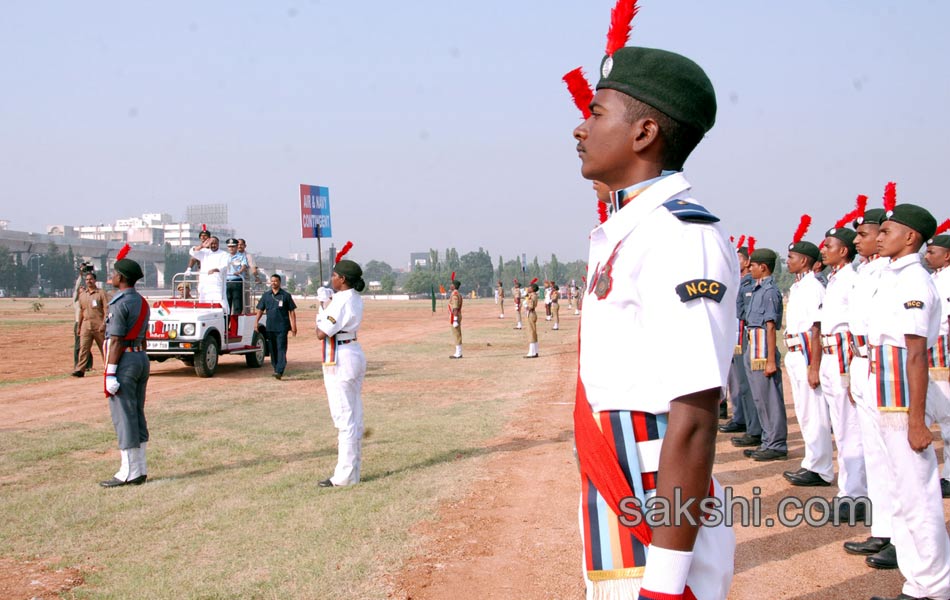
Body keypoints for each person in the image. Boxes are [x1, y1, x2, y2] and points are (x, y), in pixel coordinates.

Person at [571, 44, 736, 598]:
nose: (579, 129)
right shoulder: (632, 231)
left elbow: (693, 416)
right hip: (625, 489)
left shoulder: (680, 236)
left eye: (595, 114)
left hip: (654, 512)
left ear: (644, 134)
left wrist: (664, 586)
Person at [866, 204, 950, 600]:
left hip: (902, 402)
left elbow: (915, 354)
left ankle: (934, 586)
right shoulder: (892, 276)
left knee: (919, 497)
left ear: (910, 237)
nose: (879, 237)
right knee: (902, 494)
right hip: (886, 396)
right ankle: (918, 583)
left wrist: (917, 421)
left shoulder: (914, 280)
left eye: (886, 231)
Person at [842, 206, 897, 568]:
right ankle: (884, 528)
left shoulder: (892, 273)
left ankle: (900, 537)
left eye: (864, 233)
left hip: (883, 365)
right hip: (861, 361)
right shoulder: (865, 270)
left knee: (895, 459)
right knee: (876, 456)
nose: (857, 239)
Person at [812, 225, 868, 518]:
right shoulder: (834, 279)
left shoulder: (850, 280)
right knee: (841, 428)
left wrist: (847, 374)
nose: (823, 250)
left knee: (850, 429)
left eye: (829, 245)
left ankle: (856, 494)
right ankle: (849, 491)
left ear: (843, 251)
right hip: (830, 356)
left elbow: (850, 330)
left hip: (843, 356)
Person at [780, 232, 832, 485]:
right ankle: (811, 462)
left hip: (806, 354)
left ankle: (820, 468)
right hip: (794, 353)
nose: (787, 261)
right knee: (804, 411)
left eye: (791, 257)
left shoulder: (813, 287)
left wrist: (814, 366)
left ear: (805, 260)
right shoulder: (800, 285)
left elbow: (816, 329)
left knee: (814, 412)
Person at [100, 246, 151, 488]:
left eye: (114, 273)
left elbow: (117, 339)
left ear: (122, 278)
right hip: (141, 358)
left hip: (125, 361)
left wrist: (110, 373)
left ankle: (127, 472)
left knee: (124, 416)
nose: (112, 277)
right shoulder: (141, 301)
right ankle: (139, 469)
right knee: (137, 414)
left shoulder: (119, 303)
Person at [315, 259, 366, 488]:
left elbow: (321, 332)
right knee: (354, 416)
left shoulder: (340, 301)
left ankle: (344, 476)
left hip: (340, 357)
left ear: (342, 279)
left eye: (335, 275)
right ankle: (352, 472)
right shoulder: (354, 297)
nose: (332, 279)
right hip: (353, 351)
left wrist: (322, 305)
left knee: (344, 418)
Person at [735, 248, 788, 462]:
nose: (750, 268)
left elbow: (770, 326)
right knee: (759, 397)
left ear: (763, 267)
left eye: (753, 265)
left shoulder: (770, 292)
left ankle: (776, 443)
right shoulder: (758, 289)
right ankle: (767, 440)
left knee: (770, 399)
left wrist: (771, 361)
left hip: (763, 350)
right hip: (752, 344)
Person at [720, 243, 757, 435]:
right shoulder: (736, 281)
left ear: (747, 261)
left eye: (739, 258)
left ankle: (748, 422)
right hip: (733, 336)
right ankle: (740, 417)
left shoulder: (750, 283)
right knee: (735, 382)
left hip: (743, 336)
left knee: (744, 383)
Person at [924, 229, 950, 498]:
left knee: (948, 415)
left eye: (932, 252)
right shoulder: (933, 278)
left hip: (944, 353)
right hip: (931, 352)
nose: (927, 256)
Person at [255, 274, 297, 379]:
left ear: (279, 282)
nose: (273, 283)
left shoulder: (286, 295)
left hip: (282, 327)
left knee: (281, 348)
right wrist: (256, 322)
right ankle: (276, 367)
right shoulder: (266, 295)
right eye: (272, 281)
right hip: (270, 327)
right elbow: (260, 310)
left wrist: (294, 326)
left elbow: (292, 311)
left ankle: (279, 370)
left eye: (276, 281)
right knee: (272, 349)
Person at [72, 271, 108, 377]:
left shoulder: (101, 293)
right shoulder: (83, 295)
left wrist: (104, 324)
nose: (89, 281)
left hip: (99, 325)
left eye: (91, 279)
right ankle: (80, 369)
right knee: (84, 348)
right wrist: (79, 327)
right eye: (87, 280)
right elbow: (81, 312)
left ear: (95, 280)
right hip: (86, 325)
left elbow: (106, 309)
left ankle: (108, 368)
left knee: (104, 348)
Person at [189, 235, 229, 311]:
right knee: (203, 304)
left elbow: (224, 266)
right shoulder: (204, 252)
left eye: (215, 243)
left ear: (218, 244)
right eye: (212, 243)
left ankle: (224, 320)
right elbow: (192, 252)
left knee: (221, 304)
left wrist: (216, 269)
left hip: (217, 284)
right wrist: (202, 246)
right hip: (204, 284)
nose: (213, 245)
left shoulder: (224, 254)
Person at [224, 238, 248, 315]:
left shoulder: (241, 256)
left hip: (237, 281)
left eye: (233, 246)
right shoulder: (225, 256)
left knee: (237, 304)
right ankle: (226, 324)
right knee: (227, 304)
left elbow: (244, 266)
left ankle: (236, 324)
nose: (231, 248)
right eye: (229, 246)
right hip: (226, 282)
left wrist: (239, 272)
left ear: (237, 247)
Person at [448, 276, 463, 359]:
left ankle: (458, 353)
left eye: (452, 284)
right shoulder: (456, 293)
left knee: (456, 334)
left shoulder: (455, 294)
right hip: (455, 315)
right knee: (457, 334)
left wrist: (455, 319)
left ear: (454, 286)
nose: (450, 286)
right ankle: (458, 352)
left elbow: (455, 307)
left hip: (455, 316)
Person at [524, 281, 539, 358]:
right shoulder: (531, 295)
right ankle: (535, 351)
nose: (528, 288)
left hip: (531, 313)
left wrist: (526, 305)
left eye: (529, 287)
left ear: (532, 289)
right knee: (533, 332)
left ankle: (532, 352)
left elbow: (531, 306)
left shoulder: (533, 296)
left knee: (531, 332)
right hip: (531, 313)